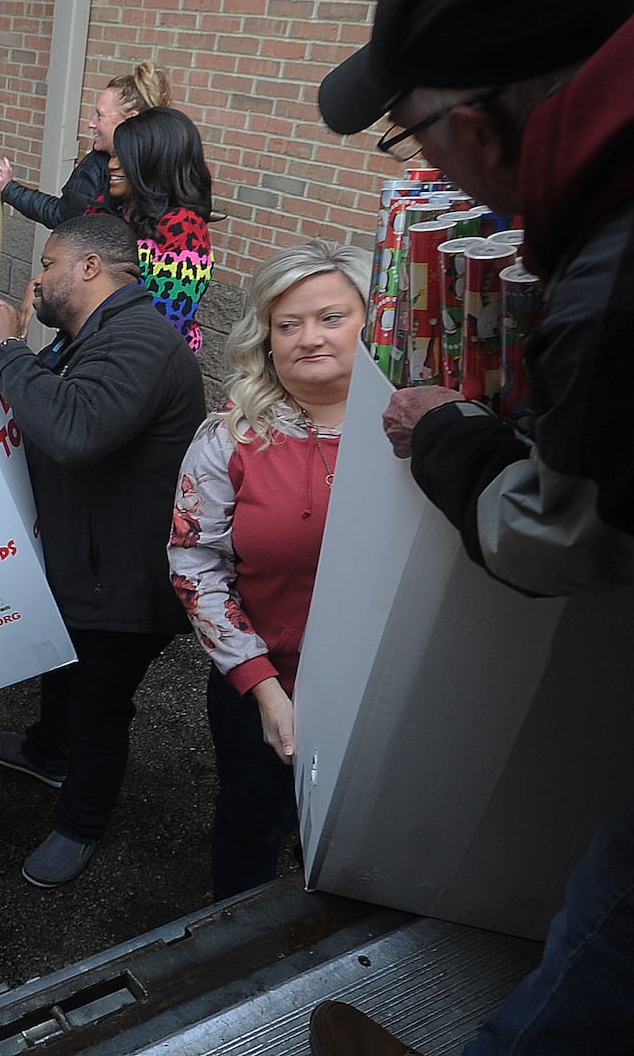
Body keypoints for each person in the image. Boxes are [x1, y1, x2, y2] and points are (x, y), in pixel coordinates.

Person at [307, 0, 634, 1053]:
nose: (426, 169)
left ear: (471, 127)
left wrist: (449, 436)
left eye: (411, 137)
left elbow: (562, 539)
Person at [0, 214, 205, 887]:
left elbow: (73, 428)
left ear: (90, 268)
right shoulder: (96, 334)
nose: (38, 280)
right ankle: (47, 751)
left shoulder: (140, 341)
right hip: (89, 564)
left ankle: (81, 824)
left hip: (128, 582)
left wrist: (4, 351)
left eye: (48, 265)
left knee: (101, 705)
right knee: (61, 665)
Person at [166, 240, 368, 899]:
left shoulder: (422, 434)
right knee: (252, 827)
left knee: (355, 838)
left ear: (373, 321)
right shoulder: (230, 439)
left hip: (378, 695)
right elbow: (195, 564)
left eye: (332, 317)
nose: (309, 337)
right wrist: (263, 688)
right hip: (263, 687)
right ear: (266, 337)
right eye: (289, 324)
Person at [0, 61, 169, 229]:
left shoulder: (99, 165)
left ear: (130, 120)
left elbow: (64, 218)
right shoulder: (167, 161)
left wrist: (10, 189)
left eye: (100, 115)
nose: (91, 123)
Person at [103, 107, 216, 354]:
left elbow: (167, 323)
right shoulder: (109, 207)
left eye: (125, 158)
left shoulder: (184, 228)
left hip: (137, 364)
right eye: (113, 154)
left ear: (155, 162)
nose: (112, 165)